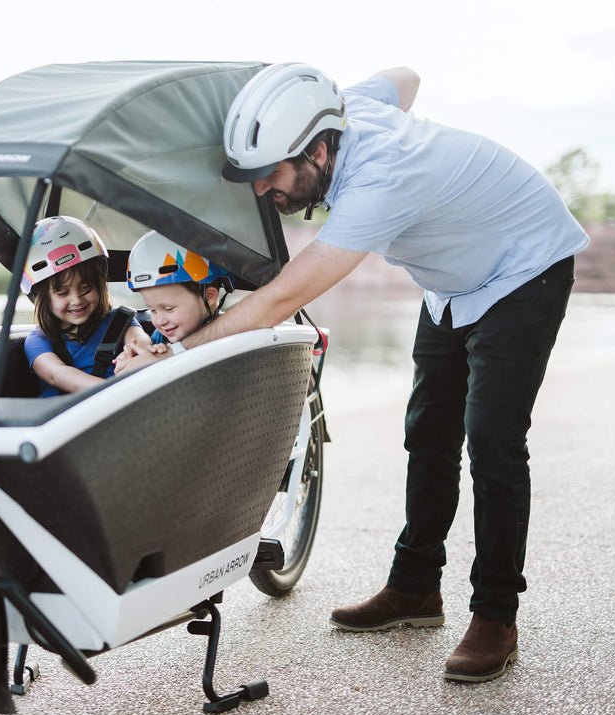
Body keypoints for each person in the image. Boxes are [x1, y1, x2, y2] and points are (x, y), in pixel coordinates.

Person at [182, 62, 589, 682]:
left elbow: (274, 303)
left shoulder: (380, 181)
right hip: (455, 283)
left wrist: (181, 351)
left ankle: (495, 616)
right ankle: (416, 588)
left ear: (319, 150)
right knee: (427, 430)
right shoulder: (347, 111)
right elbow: (405, 77)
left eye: (271, 176)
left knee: (492, 439)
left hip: (525, 263)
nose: (263, 191)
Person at [21, 215, 149, 396]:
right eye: (63, 293)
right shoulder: (39, 340)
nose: (77, 300)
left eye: (86, 287)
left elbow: (141, 344)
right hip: (65, 419)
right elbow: (57, 374)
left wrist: (144, 353)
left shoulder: (120, 321)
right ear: (40, 297)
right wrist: (116, 391)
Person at [115, 230, 235, 369]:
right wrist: (133, 360)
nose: (160, 321)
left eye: (169, 309)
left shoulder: (233, 336)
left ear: (208, 297)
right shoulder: (161, 337)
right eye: (153, 310)